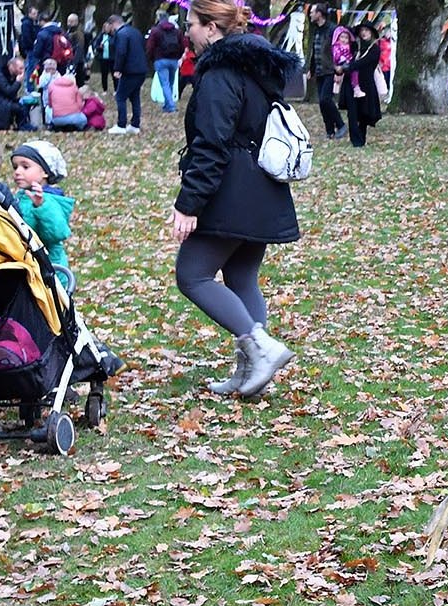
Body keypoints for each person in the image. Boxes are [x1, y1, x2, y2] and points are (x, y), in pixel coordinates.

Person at [171, 0, 302, 399]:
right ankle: (252, 372)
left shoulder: (220, 73)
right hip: (262, 188)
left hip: (232, 190)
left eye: (191, 24)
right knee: (241, 276)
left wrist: (189, 203)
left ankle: (259, 350)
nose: (187, 31)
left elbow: (212, 144)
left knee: (192, 274)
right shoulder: (256, 66)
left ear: (212, 28)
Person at [9, 141, 76, 288]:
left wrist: (41, 206)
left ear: (45, 171)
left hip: (49, 271)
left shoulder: (49, 200)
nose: (18, 171)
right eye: (15, 167)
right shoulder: (21, 197)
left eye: (25, 166)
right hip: (26, 267)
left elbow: (58, 233)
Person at [339, 22, 384, 147]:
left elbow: (363, 62)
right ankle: (355, 140)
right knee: (352, 113)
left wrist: (348, 67)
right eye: (362, 30)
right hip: (351, 83)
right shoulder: (354, 47)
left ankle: (361, 138)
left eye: (367, 30)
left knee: (364, 113)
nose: (364, 33)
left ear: (371, 32)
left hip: (366, 84)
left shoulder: (375, 49)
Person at [107, 14, 151, 134]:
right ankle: (135, 125)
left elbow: (121, 52)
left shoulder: (121, 34)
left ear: (112, 24)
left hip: (129, 70)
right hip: (141, 69)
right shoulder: (135, 32)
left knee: (120, 96)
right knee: (134, 97)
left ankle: (121, 124)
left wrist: (117, 68)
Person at [0, 57, 34, 131]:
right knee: (18, 108)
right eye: (20, 68)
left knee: (24, 103)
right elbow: (9, 92)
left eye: (23, 68)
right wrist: (18, 82)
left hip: (1, 102)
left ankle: (24, 124)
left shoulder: (11, 76)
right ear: (11, 67)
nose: (22, 71)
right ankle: (22, 126)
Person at [149, 12, 187, 113]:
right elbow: (182, 45)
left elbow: (150, 46)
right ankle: (167, 105)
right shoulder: (177, 31)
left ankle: (171, 106)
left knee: (165, 83)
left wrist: (152, 57)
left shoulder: (155, 31)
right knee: (170, 83)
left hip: (160, 59)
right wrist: (178, 56)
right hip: (174, 60)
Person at [305, 5, 335, 104]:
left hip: (330, 71)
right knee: (323, 103)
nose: (310, 14)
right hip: (319, 71)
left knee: (325, 99)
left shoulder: (332, 30)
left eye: (312, 12)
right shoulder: (317, 30)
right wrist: (312, 69)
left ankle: (338, 120)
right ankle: (329, 120)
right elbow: (315, 51)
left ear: (319, 14)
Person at [92, 21, 115, 91]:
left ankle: (116, 89)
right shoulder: (101, 36)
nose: (107, 29)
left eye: (109, 27)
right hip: (103, 58)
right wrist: (100, 47)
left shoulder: (114, 36)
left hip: (112, 58)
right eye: (106, 27)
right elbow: (96, 46)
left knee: (114, 75)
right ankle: (105, 89)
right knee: (104, 75)